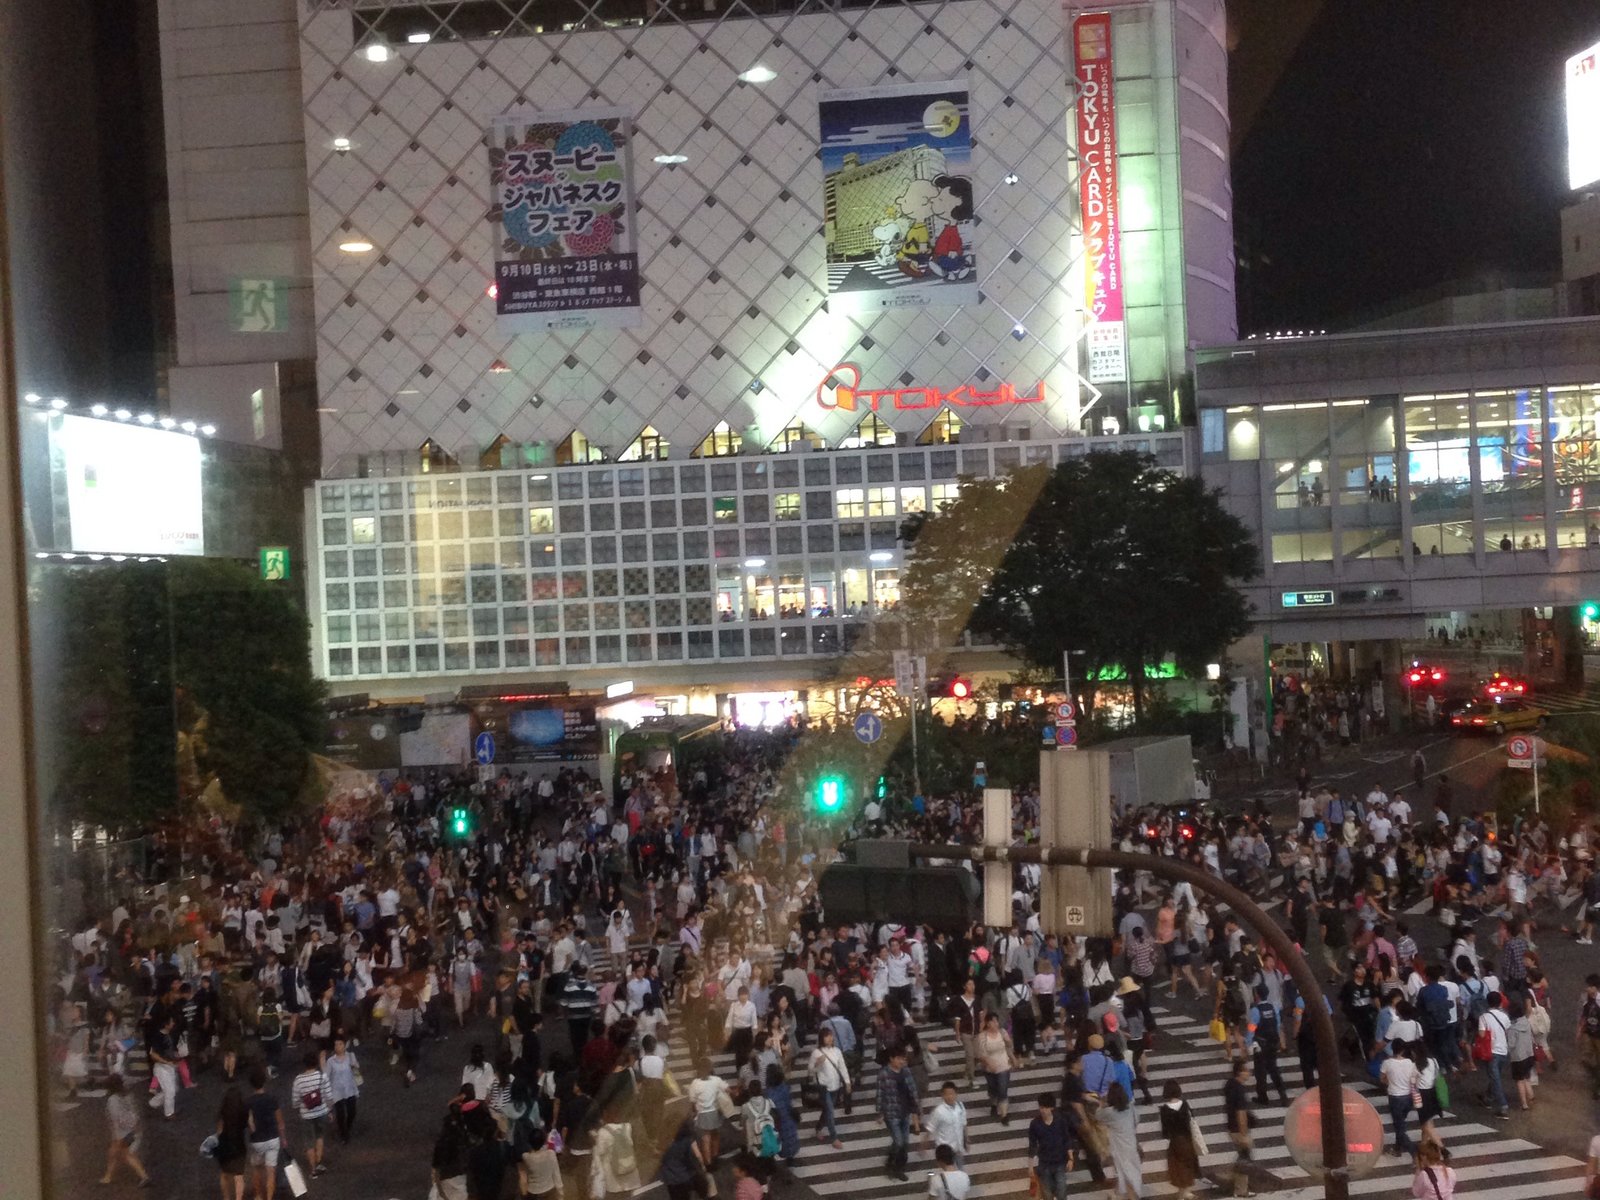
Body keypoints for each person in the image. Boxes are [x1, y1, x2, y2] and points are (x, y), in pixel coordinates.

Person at [876, 1045, 921, 1182]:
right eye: (899, 1059)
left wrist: (917, 1108)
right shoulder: (883, 1074)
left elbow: (912, 1090)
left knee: (905, 1143)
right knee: (899, 1141)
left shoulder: (906, 1071)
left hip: (905, 1112)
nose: (902, 1061)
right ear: (892, 1059)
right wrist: (880, 1112)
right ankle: (891, 1163)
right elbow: (880, 1093)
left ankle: (898, 1167)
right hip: (891, 1113)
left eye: (903, 1059)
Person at [100, 1075, 152, 1188]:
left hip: (121, 1133)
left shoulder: (113, 1100)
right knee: (115, 1154)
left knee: (124, 1155)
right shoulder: (128, 1095)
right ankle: (108, 1176)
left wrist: (117, 1135)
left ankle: (143, 1176)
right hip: (131, 1129)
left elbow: (116, 1118)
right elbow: (134, 1111)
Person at [246, 1066, 288, 1200]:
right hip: (273, 1138)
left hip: (257, 1140)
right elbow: (280, 1121)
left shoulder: (248, 1102)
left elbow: (250, 1124)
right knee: (271, 1172)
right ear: (264, 1082)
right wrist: (283, 1138)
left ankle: (258, 1196)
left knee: (257, 1170)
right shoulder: (272, 1098)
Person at [1094, 1082, 1142, 1200]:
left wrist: (1101, 1103)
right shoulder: (1130, 1107)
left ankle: (1131, 1196)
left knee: (1124, 1172)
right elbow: (1137, 1120)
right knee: (1131, 1170)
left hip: (1119, 1147)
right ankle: (1120, 1193)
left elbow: (1097, 1116)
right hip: (1131, 1143)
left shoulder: (1110, 1112)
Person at [807, 1024, 850, 1147]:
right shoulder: (816, 1052)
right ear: (822, 1038)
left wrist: (847, 1082)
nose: (830, 1038)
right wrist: (818, 1064)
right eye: (827, 1036)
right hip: (823, 1087)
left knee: (827, 1111)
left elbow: (842, 1067)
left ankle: (818, 1128)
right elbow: (810, 1070)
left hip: (836, 1086)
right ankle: (834, 1137)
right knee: (830, 1111)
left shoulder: (837, 1051)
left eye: (831, 1036)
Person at [291, 1049, 332, 1177]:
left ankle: (313, 1169)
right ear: (315, 1063)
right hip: (321, 1112)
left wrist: (301, 1106)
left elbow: (295, 1101)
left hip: (306, 1115)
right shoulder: (322, 1076)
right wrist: (329, 1110)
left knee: (308, 1141)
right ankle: (319, 1162)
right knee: (319, 1136)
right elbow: (329, 1096)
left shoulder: (298, 1080)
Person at [1245, 983, 1288, 1106]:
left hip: (1260, 1043)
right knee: (1273, 1069)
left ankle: (1263, 1097)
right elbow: (1278, 1024)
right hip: (1273, 1042)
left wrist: (1248, 1042)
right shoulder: (1273, 1007)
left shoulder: (1255, 1010)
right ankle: (1283, 1095)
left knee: (1260, 1071)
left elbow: (1252, 1028)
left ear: (1256, 995)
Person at [1159, 1081, 1201, 1200]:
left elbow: (1165, 1131)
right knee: (1188, 1165)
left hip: (1175, 1141)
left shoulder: (1164, 1109)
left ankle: (1182, 1194)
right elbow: (1191, 1121)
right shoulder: (1185, 1105)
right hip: (1187, 1140)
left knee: (1177, 1167)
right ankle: (1186, 1192)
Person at [1027, 1094, 1071, 1200]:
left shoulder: (1060, 1121)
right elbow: (1032, 1145)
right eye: (1041, 1107)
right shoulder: (1035, 1124)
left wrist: (1071, 1158)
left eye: (1045, 1107)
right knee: (1047, 1193)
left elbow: (1067, 1140)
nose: (1042, 1110)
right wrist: (1030, 1167)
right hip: (1044, 1163)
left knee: (1061, 1190)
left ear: (1052, 1108)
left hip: (1060, 1162)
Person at [1379, 1043, 1420, 1157]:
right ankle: (1397, 1149)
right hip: (1408, 1097)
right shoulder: (1410, 1063)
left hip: (1395, 1097)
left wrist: (1390, 1082)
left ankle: (1414, 1151)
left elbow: (1382, 1079)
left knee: (1399, 1127)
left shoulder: (1387, 1063)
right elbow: (1415, 1078)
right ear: (1402, 1050)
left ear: (1393, 1049)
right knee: (1400, 1123)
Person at [1223, 1058, 1255, 1198]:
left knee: (1242, 1157)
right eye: (1246, 1070)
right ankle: (1241, 1190)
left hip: (1231, 1127)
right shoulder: (1240, 1090)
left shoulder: (1230, 1084)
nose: (1249, 1073)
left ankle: (1228, 1177)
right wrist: (1244, 1134)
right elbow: (1241, 1113)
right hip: (1238, 1130)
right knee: (1244, 1160)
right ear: (1240, 1073)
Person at [975, 1011, 1014, 1124]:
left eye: (997, 1021)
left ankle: (1004, 1115)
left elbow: (1008, 1047)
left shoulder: (1002, 1032)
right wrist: (988, 1062)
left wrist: (1012, 1056)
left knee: (1003, 1089)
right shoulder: (982, 1037)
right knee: (993, 1089)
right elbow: (981, 1054)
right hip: (989, 1068)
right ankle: (993, 1104)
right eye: (993, 1021)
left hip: (1003, 1065)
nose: (996, 1023)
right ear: (988, 1023)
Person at [1476, 992, 1511, 1118]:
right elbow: (1507, 1032)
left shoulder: (1484, 1017)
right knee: (1495, 1077)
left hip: (1491, 1052)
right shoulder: (1505, 1016)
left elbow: (1481, 1035)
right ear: (1500, 1002)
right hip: (1503, 1050)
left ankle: (1503, 1106)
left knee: (1495, 1079)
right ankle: (1488, 1098)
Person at [214, 1085, 250, 1200]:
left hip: (225, 1145)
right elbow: (250, 1126)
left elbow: (219, 1131)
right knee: (238, 1176)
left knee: (224, 1174)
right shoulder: (244, 1111)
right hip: (239, 1145)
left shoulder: (223, 1111)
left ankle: (226, 1198)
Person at [325, 1034, 361, 1144]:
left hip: (350, 1088)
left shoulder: (351, 1056)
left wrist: (355, 1065)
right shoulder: (331, 1061)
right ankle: (344, 1134)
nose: (337, 1047)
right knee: (340, 1114)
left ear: (345, 1045)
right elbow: (327, 1076)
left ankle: (347, 1127)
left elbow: (356, 1067)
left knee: (352, 1112)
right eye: (336, 1044)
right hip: (337, 1091)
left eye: (340, 1044)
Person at [925, 1080, 968, 1166]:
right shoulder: (938, 1111)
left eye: (952, 1094)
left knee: (961, 1170)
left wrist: (966, 1140)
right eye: (947, 1094)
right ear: (942, 1095)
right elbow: (930, 1128)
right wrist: (924, 1144)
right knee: (949, 1172)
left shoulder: (960, 1106)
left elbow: (964, 1124)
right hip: (945, 1150)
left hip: (958, 1147)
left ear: (956, 1094)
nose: (949, 1096)